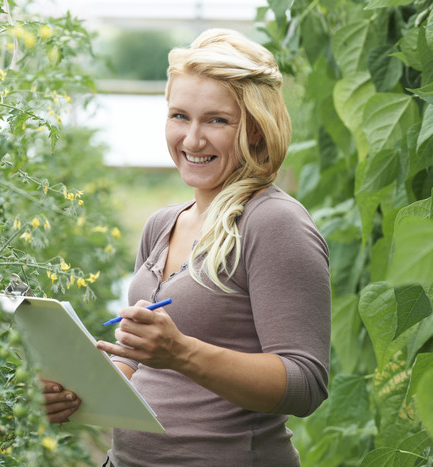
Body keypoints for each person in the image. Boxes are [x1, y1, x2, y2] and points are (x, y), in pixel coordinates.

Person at [42, 28, 331, 466]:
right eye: (180, 116)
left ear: (256, 130)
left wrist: (181, 352)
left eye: (217, 120)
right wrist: (81, 392)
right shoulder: (162, 224)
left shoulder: (272, 223)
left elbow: (305, 383)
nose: (192, 140)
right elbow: (144, 367)